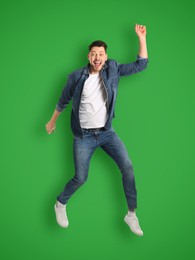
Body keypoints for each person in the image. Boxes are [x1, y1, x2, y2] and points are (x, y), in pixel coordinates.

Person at [46, 24, 148, 236]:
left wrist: (141, 38)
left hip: (107, 132)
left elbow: (141, 65)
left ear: (106, 56)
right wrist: (52, 121)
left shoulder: (113, 69)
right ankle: (60, 203)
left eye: (101, 54)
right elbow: (63, 100)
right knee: (81, 178)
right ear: (88, 56)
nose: (97, 57)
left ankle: (131, 214)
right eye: (93, 54)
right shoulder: (76, 76)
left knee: (127, 167)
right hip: (84, 136)